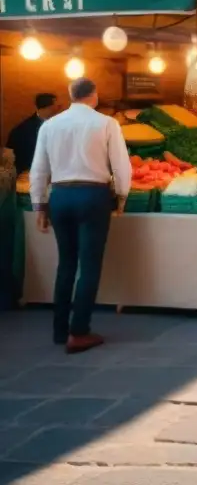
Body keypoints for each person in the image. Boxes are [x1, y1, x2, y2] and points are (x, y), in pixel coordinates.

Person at [29, 78, 132, 354]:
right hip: (92, 197)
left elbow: (38, 169)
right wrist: (121, 196)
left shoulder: (50, 125)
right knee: (89, 265)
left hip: (60, 197)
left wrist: (40, 206)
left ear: (71, 96)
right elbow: (121, 165)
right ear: (94, 96)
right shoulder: (106, 124)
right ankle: (79, 331)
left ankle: (60, 330)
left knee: (66, 263)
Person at [6, 93, 59, 173]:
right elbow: (15, 160)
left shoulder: (58, 125)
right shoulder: (21, 130)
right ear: (48, 108)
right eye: (56, 106)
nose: (57, 109)